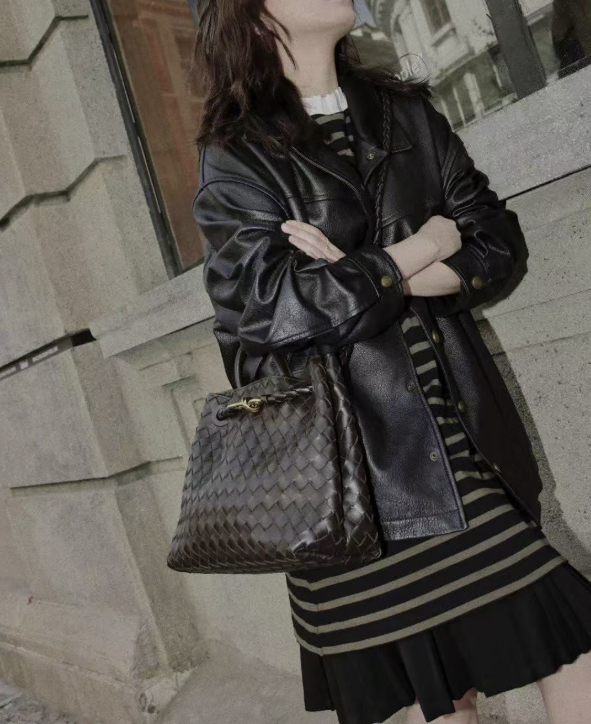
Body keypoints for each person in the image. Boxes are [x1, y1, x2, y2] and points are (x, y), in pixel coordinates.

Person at [189, 1, 591, 722]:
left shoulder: (403, 115)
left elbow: (495, 244)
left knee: (528, 658)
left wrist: (364, 273)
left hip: (462, 445)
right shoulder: (237, 155)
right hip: (353, 481)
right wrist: (422, 246)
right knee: (465, 689)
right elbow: (278, 310)